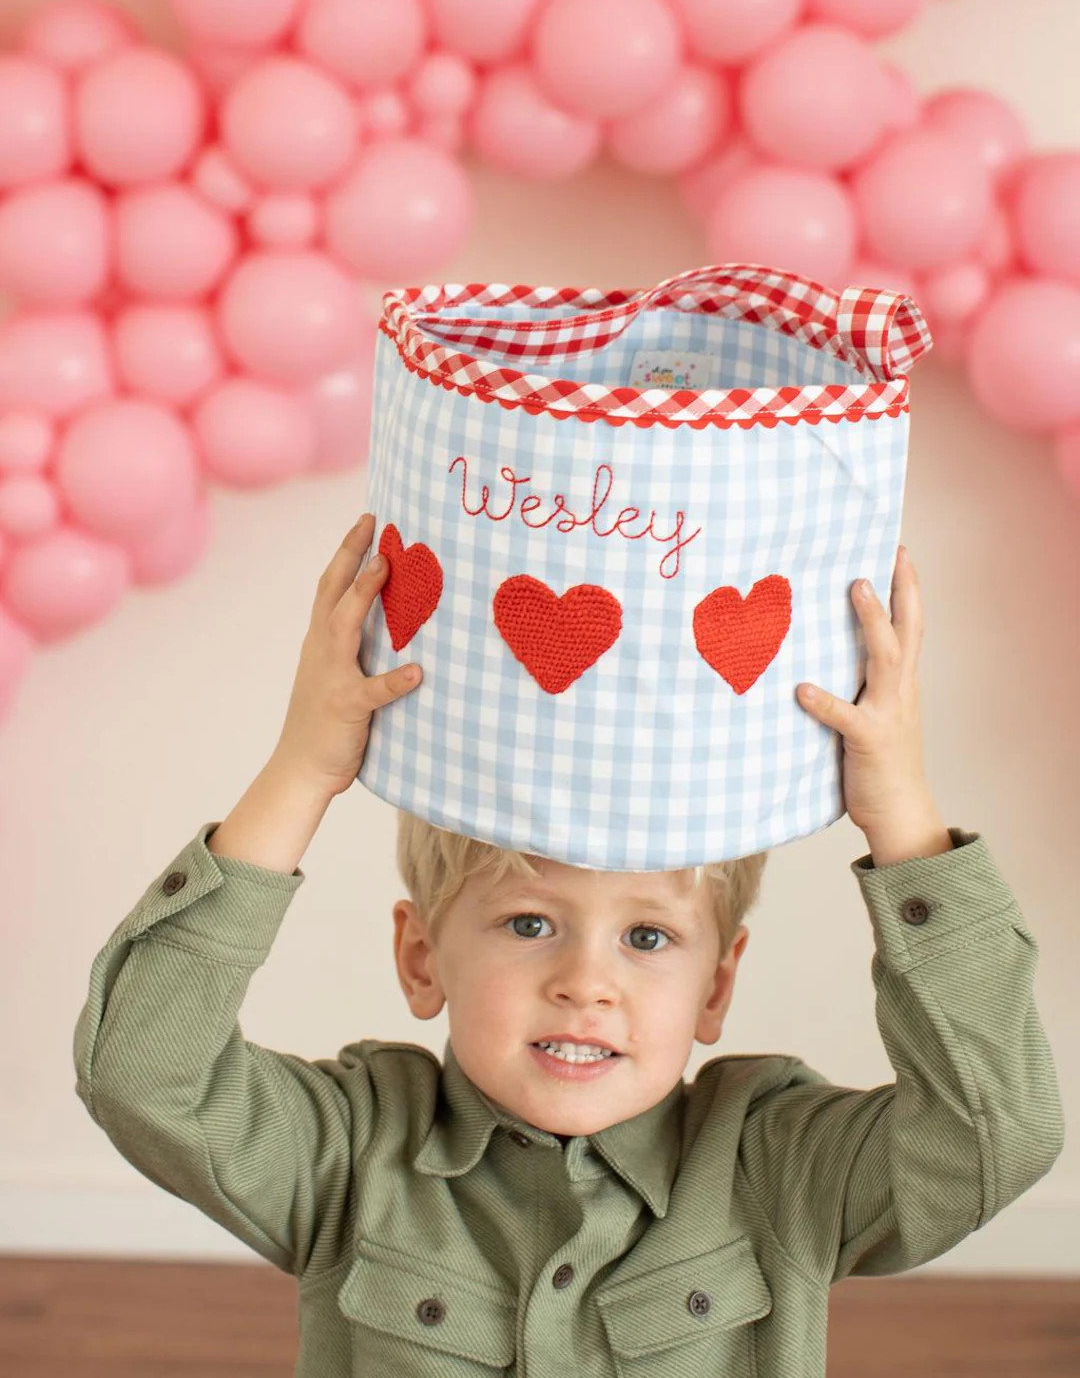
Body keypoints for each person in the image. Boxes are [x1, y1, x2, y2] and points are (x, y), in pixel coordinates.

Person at [73, 512, 1065, 1378]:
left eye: (648, 936)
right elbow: (143, 1071)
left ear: (716, 989)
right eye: (529, 923)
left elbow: (994, 1136)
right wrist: (301, 768)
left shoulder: (772, 1164)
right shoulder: (355, 1152)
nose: (586, 984)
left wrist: (904, 824)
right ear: (422, 958)